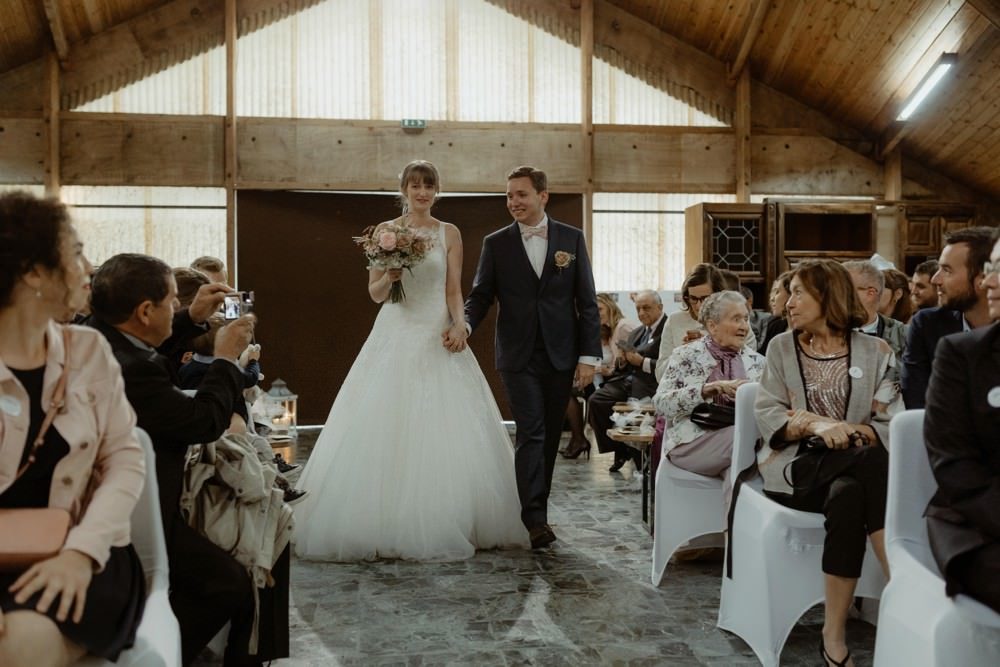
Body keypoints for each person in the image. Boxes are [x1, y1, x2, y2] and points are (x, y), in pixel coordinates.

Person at [295, 160, 528, 560]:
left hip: (436, 329)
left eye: (429, 186)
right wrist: (391, 276)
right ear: (403, 189)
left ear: (437, 191)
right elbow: (375, 294)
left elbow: (453, 289)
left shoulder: (449, 232)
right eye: (415, 185)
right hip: (396, 329)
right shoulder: (386, 232)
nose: (422, 193)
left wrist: (461, 324)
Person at [87, 253, 269, 666]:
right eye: (172, 303)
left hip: (127, 497)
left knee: (230, 582)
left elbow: (143, 346)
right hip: (136, 512)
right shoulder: (133, 371)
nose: (177, 309)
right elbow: (203, 422)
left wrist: (192, 318)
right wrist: (225, 360)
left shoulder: (96, 335)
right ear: (145, 311)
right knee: (229, 584)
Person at [0, 192, 146, 665]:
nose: (88, 269)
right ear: (33, 272)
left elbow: (124, 459)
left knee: (18, 645)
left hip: (88, 550)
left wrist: (80, 554)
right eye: (77, 253)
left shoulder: (88, 350)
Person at [754, 259, 901, 667]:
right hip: (797, 468)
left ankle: (832, 636)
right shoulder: (781, 347)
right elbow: (768, 413)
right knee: (867, 463)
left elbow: (889, 422)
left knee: (849, 493)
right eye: (789, 294)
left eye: (799, 293)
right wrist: (817, 425)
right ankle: (902, 580)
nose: (789, 302)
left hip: (854, 467)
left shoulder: (876, 352)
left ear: (828, 296)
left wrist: (844, 431)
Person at [464, 165, 602, 549]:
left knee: (550, 435)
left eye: (521, 194)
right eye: (509, 195)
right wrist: (466, 324)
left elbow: (587, 302)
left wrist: (588, 356)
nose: (513, 202)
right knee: (532, 431)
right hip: (517, 353)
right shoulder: (496, 243)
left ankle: (538, 506)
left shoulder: (571, 239)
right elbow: (481, 295)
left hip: (561, 352)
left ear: (543, 196)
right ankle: (535, 520)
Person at [924, 228, 1000, 614]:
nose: (990, 281)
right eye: (992, 268)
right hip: (979, 525)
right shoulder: (961, 354)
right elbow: (955, 466)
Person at [653, 291, 765, 505]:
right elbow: (661, 404)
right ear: (713, 326)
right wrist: (708, 389)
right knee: (748, 439)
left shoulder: (758, 362)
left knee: (738, 476)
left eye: (746, 319)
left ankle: (733, 527)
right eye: (736, 319)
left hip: (738, 445)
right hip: (692, 442)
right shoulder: (686, 355)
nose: (744, 326)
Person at [902, 227, 995, 408]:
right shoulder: (927, 324)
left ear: (982, 278)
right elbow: (917, 402)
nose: (935, 280)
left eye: (947, 270)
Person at [588, 291, 665, 473]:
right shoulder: (638, 332)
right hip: (629, 380)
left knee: (633, 409)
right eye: (638, 309)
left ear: (660, 307)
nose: (641, 313)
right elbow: (624, 366)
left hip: (651, 383)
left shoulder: (667, 329)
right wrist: (622, 361)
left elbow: (669, 364)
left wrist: (642, 362)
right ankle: (621, 448)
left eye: (646, 308)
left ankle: (634, 455)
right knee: (596, 400)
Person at [560, 292, 636, 460]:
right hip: (611, 378)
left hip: (626, 380)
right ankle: (578, 438)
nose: (596, 314)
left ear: (610, 307)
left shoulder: (623, 326)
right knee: (567, 391)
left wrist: (606, 370)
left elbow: (633, 358)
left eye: (600, 309)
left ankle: (584, 440)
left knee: (584, 397)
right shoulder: (610, 330)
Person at [654, 263, 726, 381]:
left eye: (705, 299)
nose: (698, 306)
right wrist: (683, 353)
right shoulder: (674, 321)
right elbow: (660, 375)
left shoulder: (735, 320)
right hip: (683, 390)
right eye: (693, 298)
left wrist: (710, 349)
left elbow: (748, 369)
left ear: (719, 296)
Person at [843, 260, 907, 363]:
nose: (836, 295)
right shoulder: (824, 333)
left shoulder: (903, 335)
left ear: (870, 293)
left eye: (845, 289)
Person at [758, 270, 793, 355]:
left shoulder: (806, 329)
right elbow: (762, 357)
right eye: (772, 293)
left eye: (777, 292)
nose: (772, 299)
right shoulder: (775, 325)